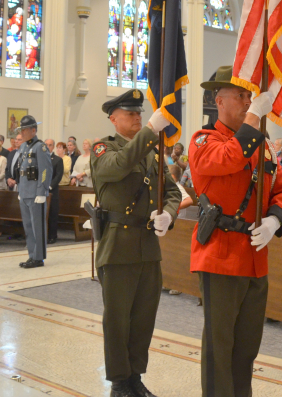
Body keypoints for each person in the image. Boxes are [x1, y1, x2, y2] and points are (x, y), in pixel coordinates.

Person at [187, 65, 282, 397]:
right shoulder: (204, 140)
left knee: (247, 346)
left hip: (254, 255)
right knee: (220, 345)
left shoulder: (263, 146)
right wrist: (253, 121)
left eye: (250, 96)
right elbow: (228, 158)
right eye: (241, 96)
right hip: (219, 253)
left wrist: (276, 219)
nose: (249, 102)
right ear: (219, 100)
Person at [91, 90, 182, 397]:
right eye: (130, 113)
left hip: (147, 246)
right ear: (113, 118)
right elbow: (117, 166)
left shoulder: (151, 153)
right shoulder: (102, 149)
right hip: (117, 245)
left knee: (144, 318)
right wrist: (149, 133)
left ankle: (134, 377)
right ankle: (119, 381)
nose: (137, 117)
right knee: (117, 320)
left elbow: (173, 192)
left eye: (139, 113)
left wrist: (168, 215)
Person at [9, 116, 53, 269]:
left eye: (24, 129)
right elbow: (21, 170)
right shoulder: (23, 147)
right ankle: (32, 255)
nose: (21, 132)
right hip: (25, 191)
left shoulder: (39, 147)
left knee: (37, 226)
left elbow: (45, 171)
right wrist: (20, 189)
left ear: (33, 130)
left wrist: (42, 191)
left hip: (36, 193)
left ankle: (39, 257)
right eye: (20, 129)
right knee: (28, 226)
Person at [45, 138, 63, 244]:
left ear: (53, 147)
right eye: (46, 144)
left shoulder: (57, 160)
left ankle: (52, 236)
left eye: (50, 145)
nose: (47, 147)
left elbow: (58, 176)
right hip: (41, 190)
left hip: (52, 191)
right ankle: (44, 235)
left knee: (52, 213)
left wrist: (50, 186)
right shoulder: (39, 158)